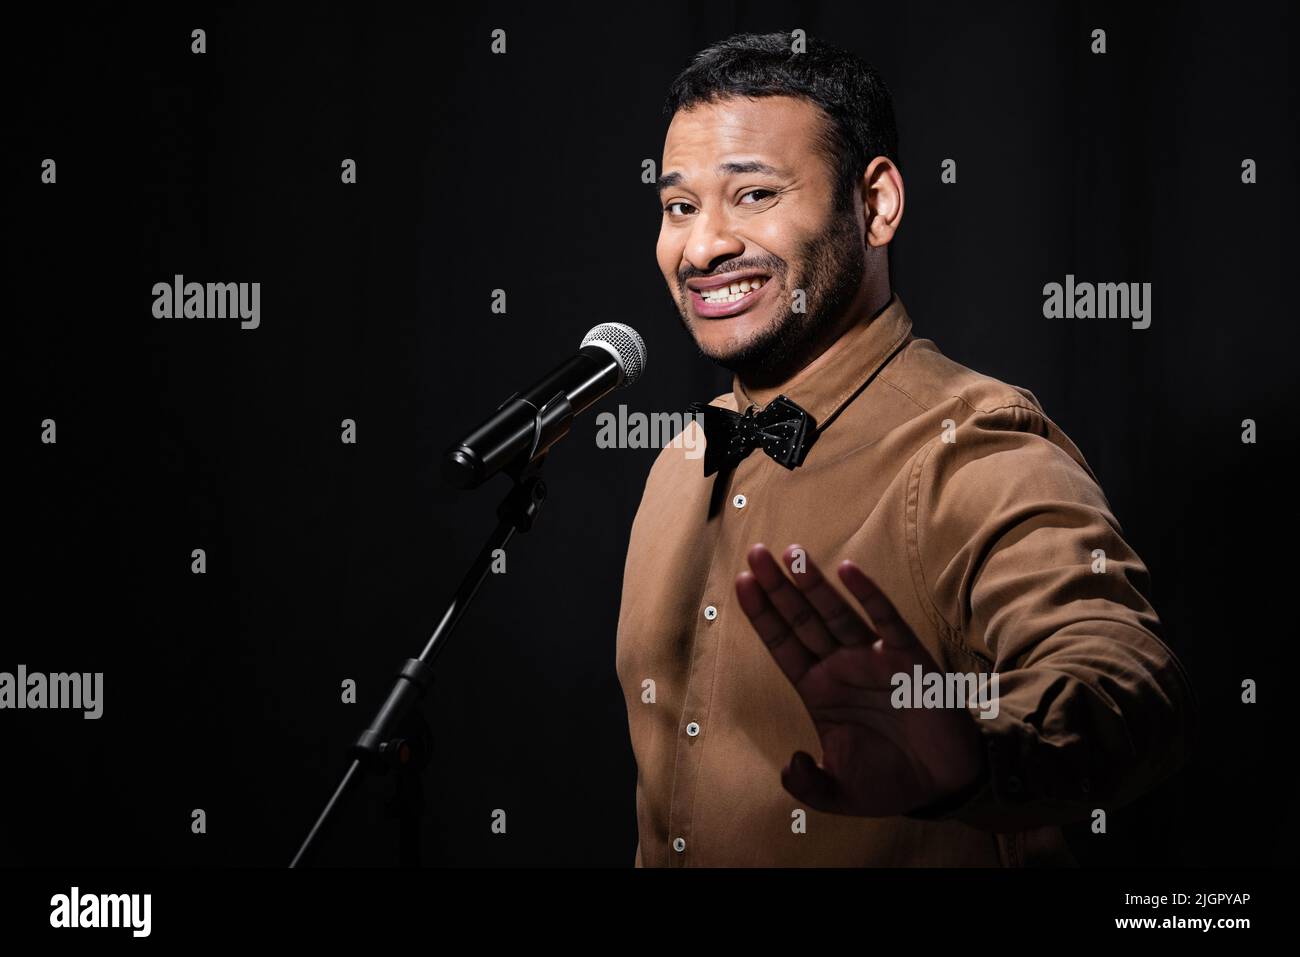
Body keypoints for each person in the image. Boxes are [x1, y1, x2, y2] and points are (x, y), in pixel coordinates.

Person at [615, 31, 1194, 867]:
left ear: (876, 204)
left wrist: (974, 749)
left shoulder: (975, 443)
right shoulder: (678, 461)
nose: (702, 247)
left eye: (753, 195)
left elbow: (1131, 679)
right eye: (679, 207)